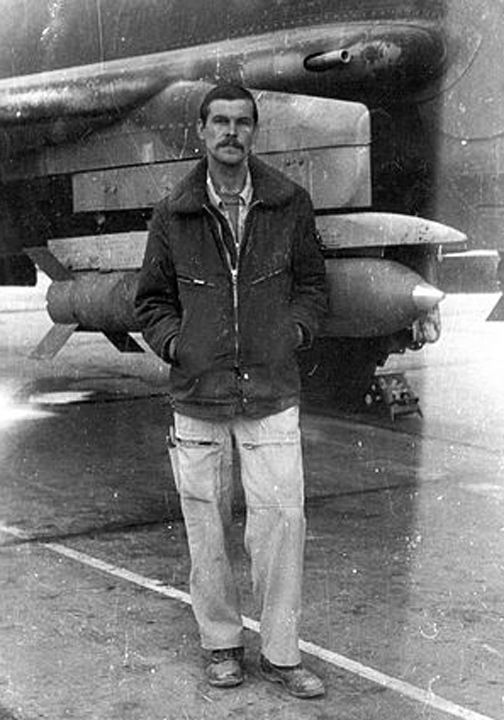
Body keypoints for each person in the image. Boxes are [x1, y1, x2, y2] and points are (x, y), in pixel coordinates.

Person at [135, 83, 328, 698]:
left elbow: (313, 287)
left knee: (282, 525)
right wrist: (177, 344)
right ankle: (221, 645)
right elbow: (151, 301)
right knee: (207, 528)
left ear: (254, 132)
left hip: (271, 391)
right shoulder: (173, 213)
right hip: (199, 394)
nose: (231, 133)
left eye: (242, 123)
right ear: (201, 131)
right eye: (219, 122)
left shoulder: (289, 203)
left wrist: (291, 333)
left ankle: (281, 656)